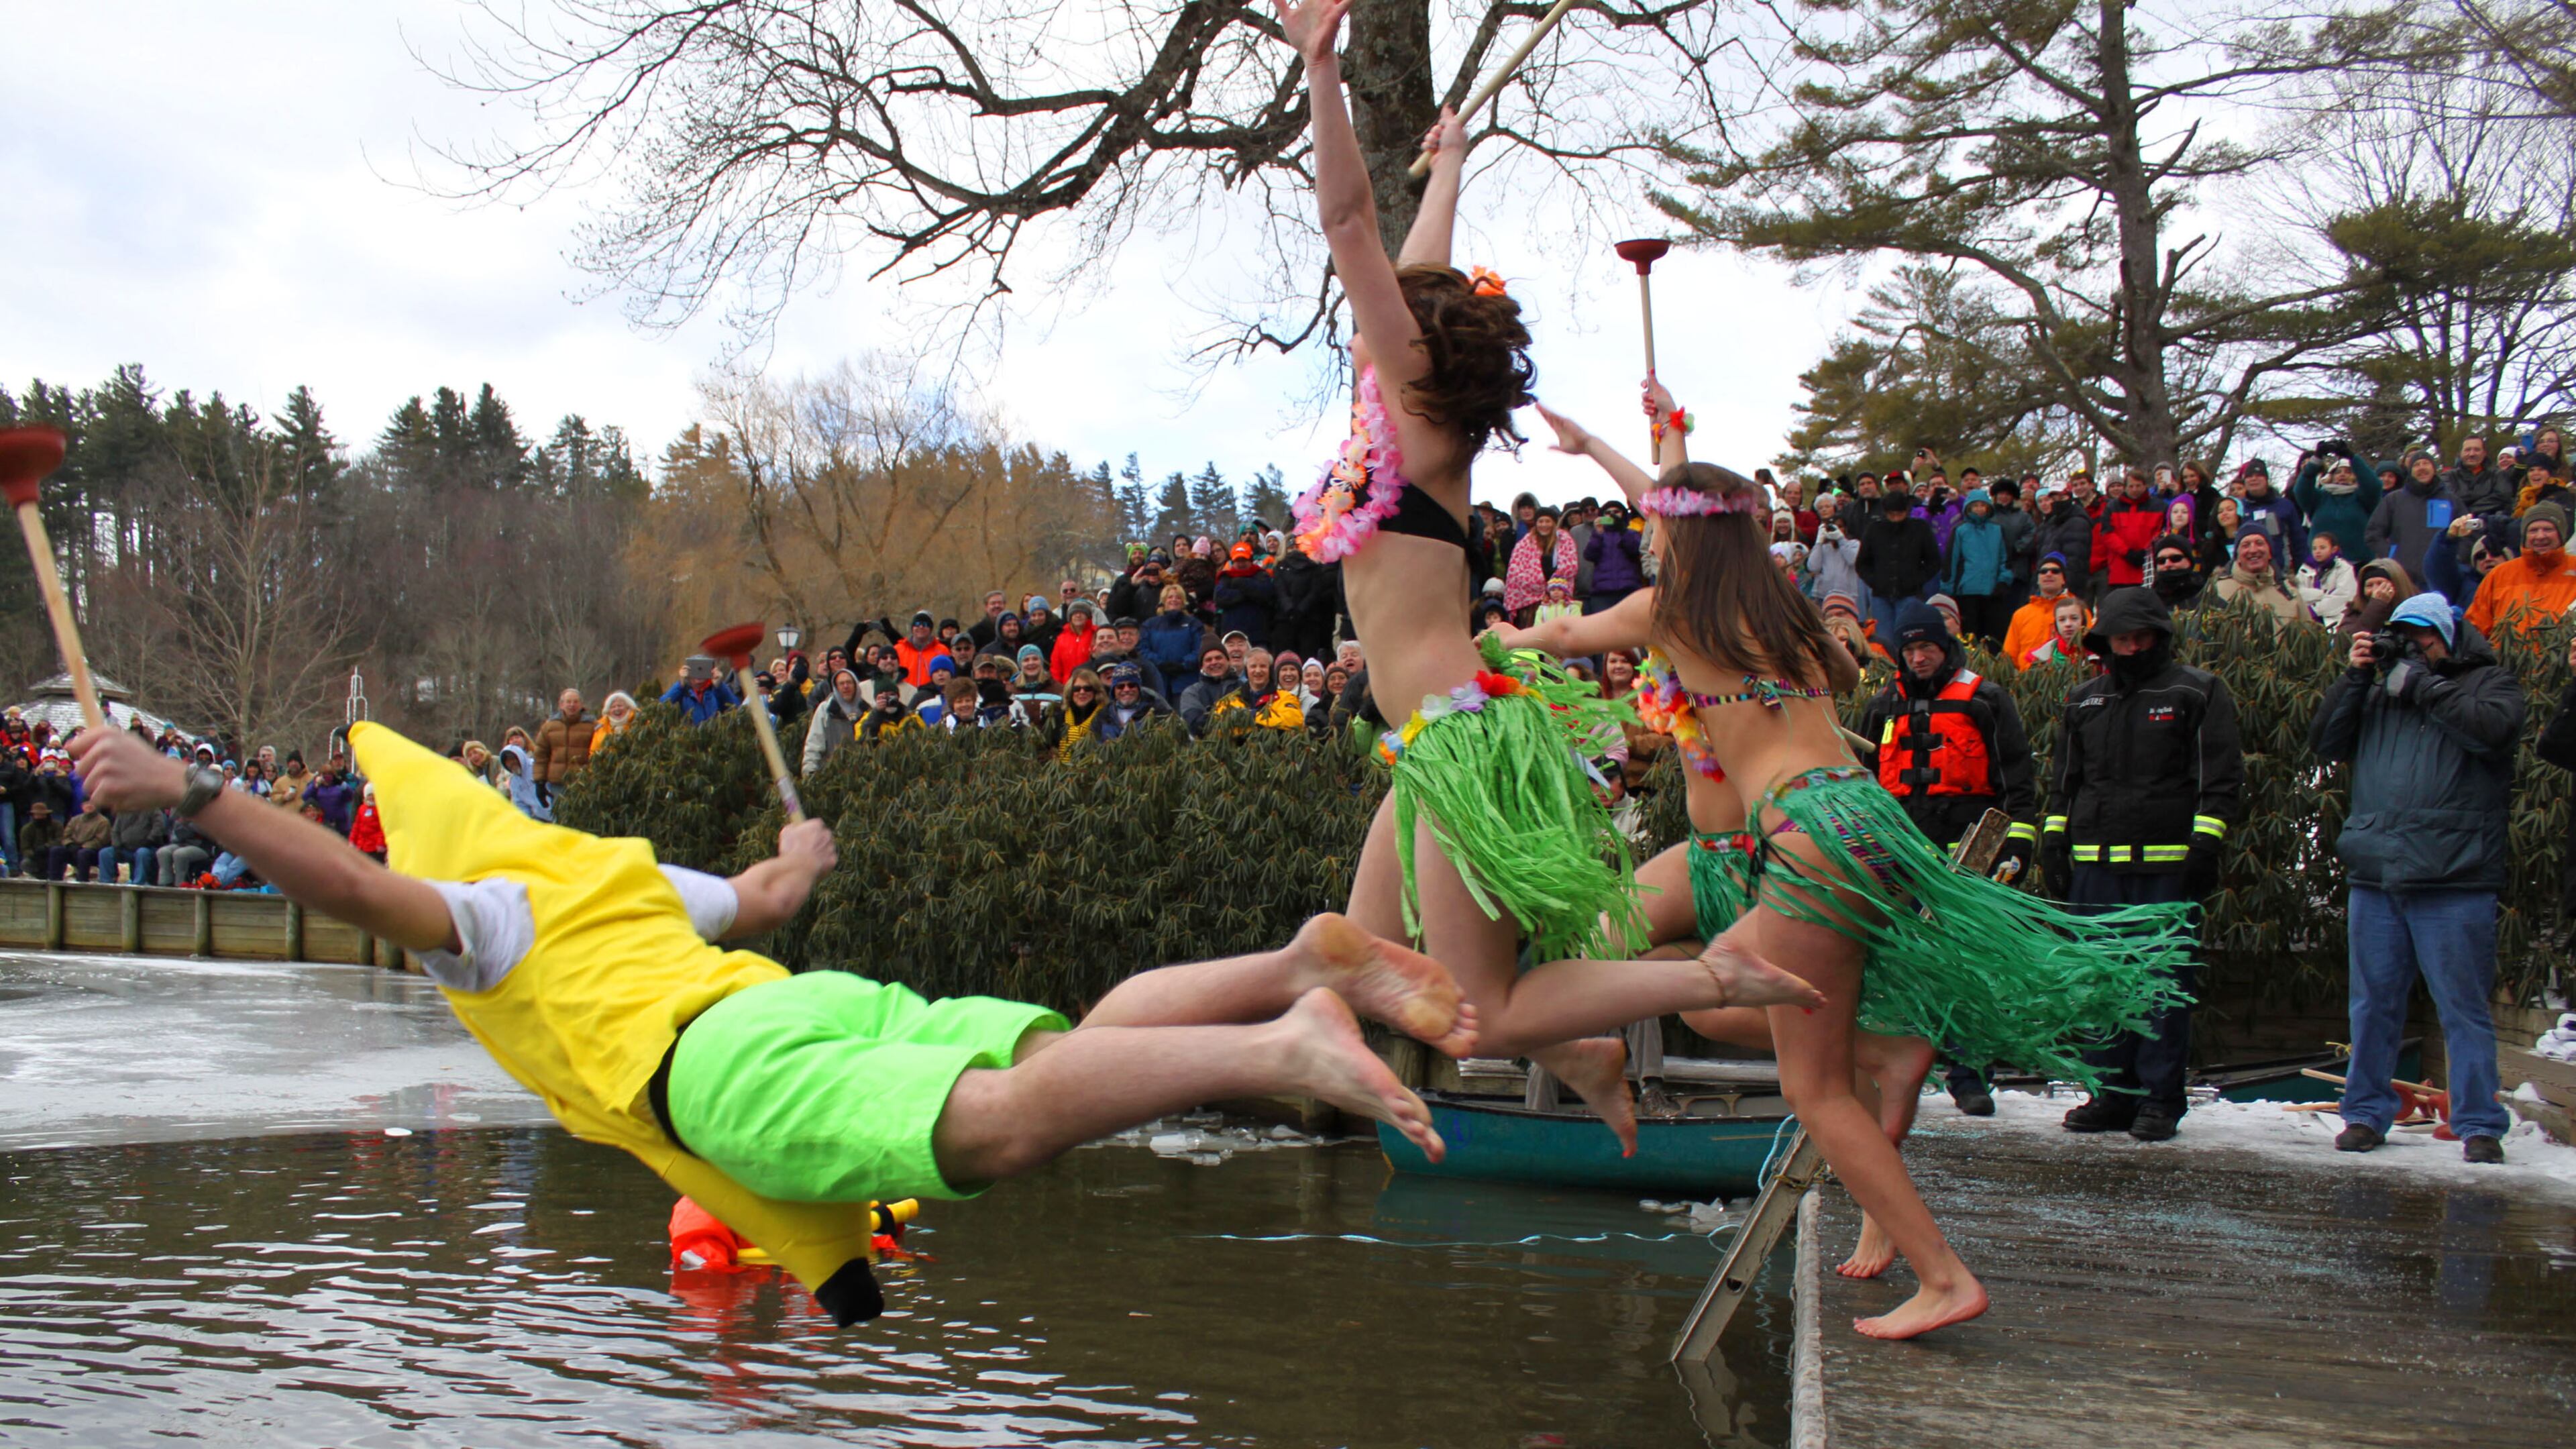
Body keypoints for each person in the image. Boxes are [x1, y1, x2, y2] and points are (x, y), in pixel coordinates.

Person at [68, 719, 1479, 1326]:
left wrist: (188, 795)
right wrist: (803, 859)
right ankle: (1296, 960)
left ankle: (1278, 1047)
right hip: (802, 1002)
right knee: (1071, 1048)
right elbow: (764, 890)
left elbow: (356, 886)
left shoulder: (489, 918)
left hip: (715, 1066)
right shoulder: (617, 871)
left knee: (980, 1134)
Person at [1513, 398, 2186, 1336]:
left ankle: (1944, 1274)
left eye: (1659, 530)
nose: (1650, 537)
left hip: (1804, 839)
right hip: (1857, 821)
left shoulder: (1664, 609)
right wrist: (1611, 450)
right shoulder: (1786, 614)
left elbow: (1557, 637)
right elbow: (1708, 537)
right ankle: (1884, 1051)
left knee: (1812, 1091)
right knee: (1683, 979)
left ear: (1679, 543)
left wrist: (1488, 646)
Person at [1275, 8, 1814, 1149]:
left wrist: (1320, 70)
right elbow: (1410, 256)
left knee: (1480, 1014)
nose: (1365, 322)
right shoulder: (1411, 412)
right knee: (1369, 969)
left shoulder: (1418, 418)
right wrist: (1456, 165)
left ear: (1410, 344)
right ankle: (1572, 1053)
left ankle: (1719, 980)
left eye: (1384, 315)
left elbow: (1347, 219)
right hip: (1430, 743)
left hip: (1464, 740)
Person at [2313, 594, 2518, 1164]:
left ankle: (2479, 1124)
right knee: (2372, 1005)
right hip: (2378, 873)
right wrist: (2356, 677)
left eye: (2422, 636)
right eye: (2402, 636)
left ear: (2450, 638)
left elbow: (2493, 733)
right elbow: (2325, 742)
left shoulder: (2489, 684)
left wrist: (2423, 684)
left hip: (2455, 878)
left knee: (2462, 1007)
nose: (2411, 647)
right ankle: (2365, 1114)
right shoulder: (2378, 689)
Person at [2046, 588, 2242, 1142]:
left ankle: (2160, 1099)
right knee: (2101, 985)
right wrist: (2053, 845)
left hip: (2166, 871)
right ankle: (2111, 1094)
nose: (2130, 648)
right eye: (2119, 640)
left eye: (2139, 638)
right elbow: (2064, 785)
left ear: (2159, 637)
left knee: (2161, 987)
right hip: (2095, 868)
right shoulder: (2083, 700)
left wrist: (2204, 849)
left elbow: (2219, 784)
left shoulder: (2196, 692)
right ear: (2103, 642)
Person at [1854, 602, 2041, 1114]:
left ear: (1946, 648)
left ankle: (1970, 1074)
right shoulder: (1882, 705)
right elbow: (1861, 779)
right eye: (1910, 649)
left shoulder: (1985, 699)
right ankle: (1898, 1066)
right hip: (1900, 850)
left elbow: (2017, 781)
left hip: (1969, 853)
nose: (1918, 657)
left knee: (1966, 964)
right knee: (1896, 961)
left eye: (1927, 648)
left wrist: (2019, 844)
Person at [2465, 500, 2576, 637]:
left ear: (2561, 534)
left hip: (2564, 657)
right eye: (2533, 530)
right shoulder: (2500, 575)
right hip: (2508, 657)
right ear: (2524, 536)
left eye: (2548, 529)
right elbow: (2476, 628)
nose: (2540, 536)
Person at [2365, 451, 2459, 588]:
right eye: (2417, 465)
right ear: (2410, 471)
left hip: (2441, 577)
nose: (2422, 468)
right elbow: (2373, 534)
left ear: (2434, 468)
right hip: (2404, 579)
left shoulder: (2450, 500)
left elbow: (2467, 534)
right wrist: (2392, 556)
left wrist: (2457, 558)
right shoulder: (2394, 500)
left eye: (2426, 463)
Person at [1856, 488, 1939, 637]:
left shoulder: (1919, 528)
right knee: (1884, 639)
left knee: (1908, 635)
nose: (1895, 518)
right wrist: (1875, 581)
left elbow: (1933, 561)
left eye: (1899, 514)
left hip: (1910, 593)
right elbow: (1862, 563)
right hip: (1881, 595)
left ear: (1906, 511)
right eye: (1891, 514)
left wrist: (1917, 580)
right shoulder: (1874, 529)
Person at [1937, 488, 2014, 647]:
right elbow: (1951, 562)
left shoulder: (1998, 530)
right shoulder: (1960, 531)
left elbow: (2005, 560)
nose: (1979, 509)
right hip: (1967, 593)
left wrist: (2003, 582)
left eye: (1982, 505)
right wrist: (1949, 590)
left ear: (1988, 507)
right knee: (1970, 638)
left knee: (1994, 639)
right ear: (1968, 508)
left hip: (1993, 592)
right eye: (1975, 506)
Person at [2207, 529, 2302, 626]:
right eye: (2246, 545)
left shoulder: (2289, 593)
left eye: (2259, 543)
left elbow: (2310, 637)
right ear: (2237, 557)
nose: (2253, 550)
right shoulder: (2217, 591)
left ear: (2270, 554)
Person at [2091, 468, 2163, 592]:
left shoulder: (2158, 506)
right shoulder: (2113, 507)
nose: (2135, 490)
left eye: (2138, 486)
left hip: (2148, 567)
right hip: (2120, 570)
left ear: (2145, 486)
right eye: (2131, 486)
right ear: (2126, 487)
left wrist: (2146, 552)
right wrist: (2127, 552)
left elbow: (2160, 532)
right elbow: (2107, 534)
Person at [2001, 553, 2078, 663]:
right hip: (2025, 678)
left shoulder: (2078, 611)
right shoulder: (2021, 614)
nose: (2049, 574)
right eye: (2043, 571)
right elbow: (2008, 656)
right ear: (2037, 579)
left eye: (2055, 571)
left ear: (2064, 580)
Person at [533, 689, 598, 804]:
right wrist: (539, 781)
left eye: (575, 702)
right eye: (568, 702)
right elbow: (540, 755)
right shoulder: (549, 726)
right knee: (560, 821)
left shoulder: (593, 726)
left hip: (584, 783)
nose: (572, 705)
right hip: (558, 783)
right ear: (561, 705)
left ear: (581, 704)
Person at [1212, 541, 1279, 647]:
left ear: (1251, 560)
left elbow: (1267, 594)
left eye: (1244, 560)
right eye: (1237, 560)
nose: (1241, 563)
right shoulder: (1226, 577)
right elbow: (1219, 598)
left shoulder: (1261, 574)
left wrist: (1240, 584)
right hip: (1232, 635)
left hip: (1258, 635)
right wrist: (1248, 594)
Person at [802, 669, 867, 775]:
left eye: (849, 682)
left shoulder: (866, 709)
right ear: (836, 688)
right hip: (832, 775)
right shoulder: (825, 710)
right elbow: (814, 743)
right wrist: (810, 772)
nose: (846, 686)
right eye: (841, 684)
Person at [1176, 642, 1246, 736]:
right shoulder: (1192, 692)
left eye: (1218, 658)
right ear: (1202, 666)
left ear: (1228, 661)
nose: (1214, 662)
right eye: (1208, 660)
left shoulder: (1244, 687)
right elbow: (1195, 725)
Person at [2296, 532, 2360, 629]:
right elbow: (2298, 592)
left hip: (2335, 620)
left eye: (2322, 548)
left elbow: (2344, 597)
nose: (2317, 551)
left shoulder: (2344, 568)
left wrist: (2314, 609)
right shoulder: (2306, 567)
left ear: (2334, 549)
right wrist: (2323, 594)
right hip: (2307, 619)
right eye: (2314, 548)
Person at [48, 796, 111, 881]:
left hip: (92, 852)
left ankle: (82, 881)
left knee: (83, 854)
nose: (89, 806)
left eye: (92, 804)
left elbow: (101, 840)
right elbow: (66, 836)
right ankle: (54, 881)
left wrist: (84, 847)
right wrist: (70, 844)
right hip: (74, 849)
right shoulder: (75, 820)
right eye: (86, 804)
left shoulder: (103, 821)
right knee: (56, 851)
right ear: (82, 806)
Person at [2019, 596, 2092, 669]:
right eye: (2062, 620)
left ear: (2083, 621)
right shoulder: (2039, 657)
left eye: (2074, 618)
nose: (2068, 624)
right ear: (2056, 624)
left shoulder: (2097, 656)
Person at [107, 794, 166, 885]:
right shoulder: (123, 812)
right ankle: (106, 881)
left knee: (142, 853)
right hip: (125, 848)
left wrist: (150, 840)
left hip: (147, 847)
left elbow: (159, 826)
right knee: (105, 853)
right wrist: (117, 846)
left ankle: (138, 883)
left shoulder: (152, 809)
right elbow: (115, 831)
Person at [663, 657, 741, 724]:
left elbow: (736, 708)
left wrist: (719, 686)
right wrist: (680, 685)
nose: (699, 675)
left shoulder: (717, 690)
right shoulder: (682, 691)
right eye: (695, 670)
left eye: (703, 669)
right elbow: (662, 706)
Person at [17, 800, 60, 878]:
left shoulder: (57, 825)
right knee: (25, 864)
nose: (40, 817)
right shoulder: (27, 829)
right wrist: (34, 854)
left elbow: (60, 840)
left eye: (42, 815)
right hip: (36, 857)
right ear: (33, 816)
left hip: (53, 854)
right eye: (37, 815)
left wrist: (48, 846)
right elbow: (25, 848)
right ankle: (41, 876)